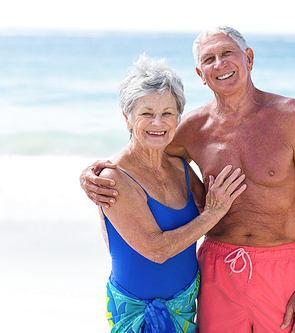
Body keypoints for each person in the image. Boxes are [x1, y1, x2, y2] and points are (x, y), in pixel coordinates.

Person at [81, 26, 295, 333]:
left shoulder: (293, 117)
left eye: (227, 53)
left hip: (283, 266)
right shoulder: (192, 129)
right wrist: (94, 174)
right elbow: (143, 154)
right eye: (209, 59)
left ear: (249, 58)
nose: (220, 64)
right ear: (201, 74)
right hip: (217, 269)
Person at [96, 55, 246, 333]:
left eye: (167, 113)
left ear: (178, 117)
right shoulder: (112, 178)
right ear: (127, 118)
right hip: (136, 312)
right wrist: (212, 214)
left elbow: (219, 211)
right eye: (146, 113)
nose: (158, 123)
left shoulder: (181, 168)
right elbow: (157, 250)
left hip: (187, 304)